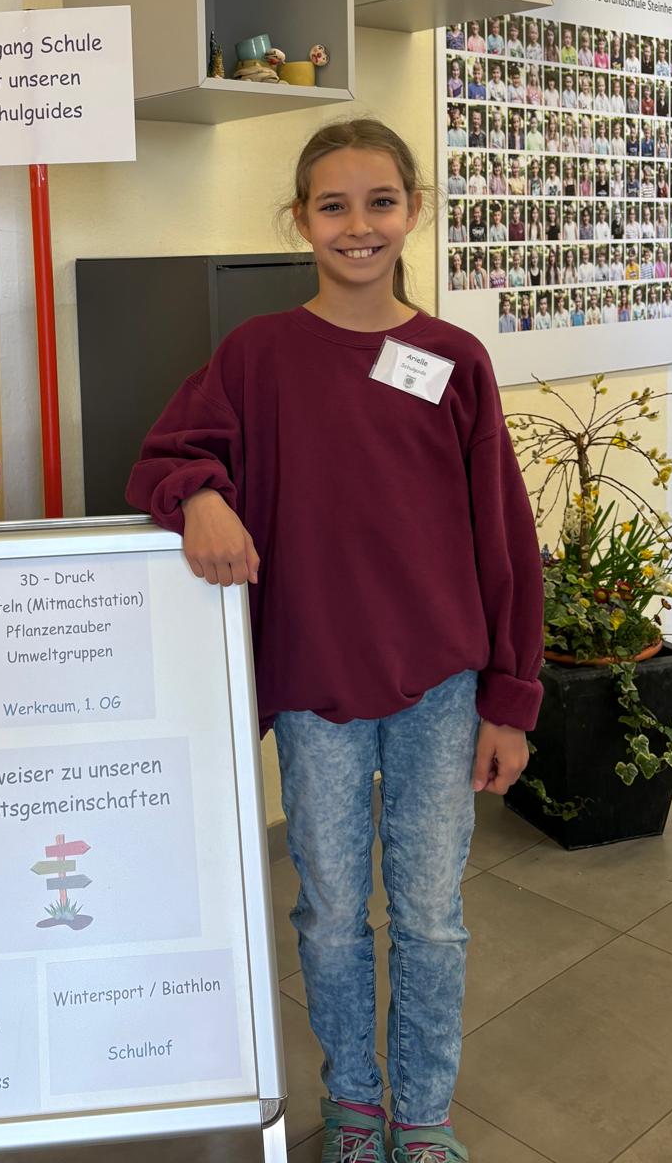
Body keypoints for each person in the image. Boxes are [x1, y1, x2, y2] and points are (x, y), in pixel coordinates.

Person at [126, 119, 542, 1163]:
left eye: (380, 202)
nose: (359, 225)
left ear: (414, 211)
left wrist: (511, 696)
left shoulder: (453, 360)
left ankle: (424, 1113)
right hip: (316, 687)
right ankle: (353, 1104)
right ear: (300, 220)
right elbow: (164, 456)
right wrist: (201, 496)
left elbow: (503, 537)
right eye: (334, 205)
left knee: (432, 915)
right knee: (329, 914)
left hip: (441, 685)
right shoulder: (258, 354)